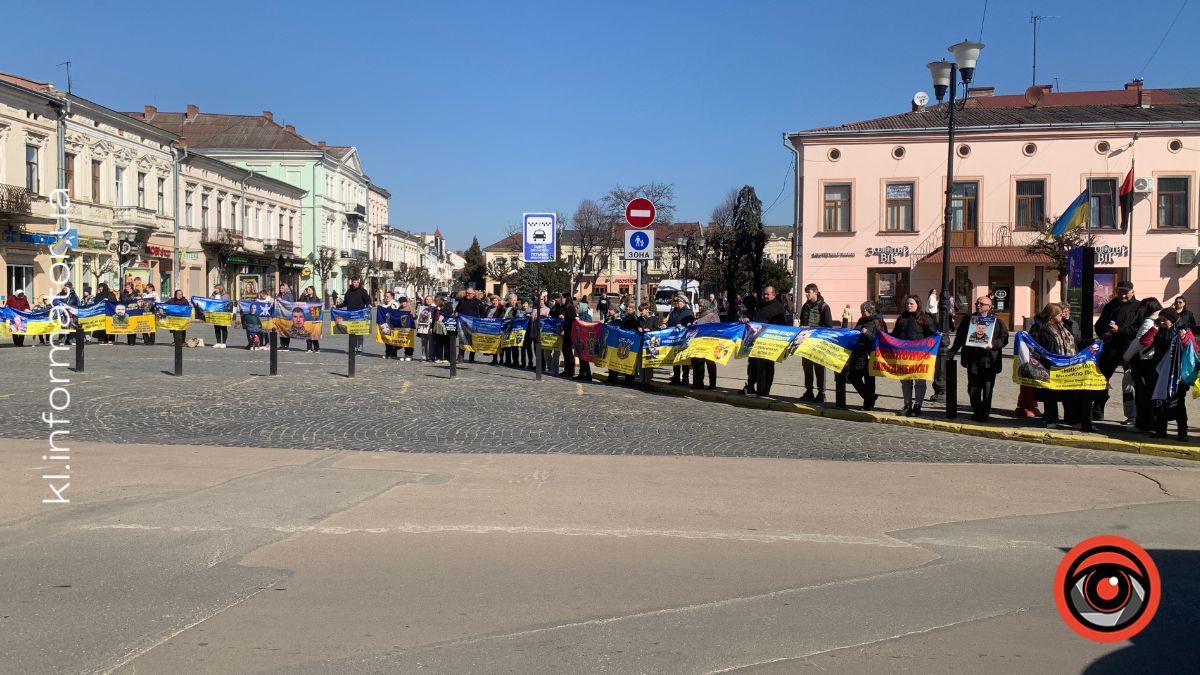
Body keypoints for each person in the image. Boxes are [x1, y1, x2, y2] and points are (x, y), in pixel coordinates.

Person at [948, 295, 1009, 422]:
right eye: (977, 303)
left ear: (989, 307)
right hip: (973, 358)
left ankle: (984, 413)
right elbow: (960, 337)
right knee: (973, 387)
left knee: (987, 388)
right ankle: (977, 409)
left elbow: (1004, 338)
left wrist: (993, 345)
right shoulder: (969, 319)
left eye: (981, 304)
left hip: (989, 360)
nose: (978, 305)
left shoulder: (996, 321)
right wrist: (953, 350)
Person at [1029, 303, 1082, 428]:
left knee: (1069, 393)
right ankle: (1051, 419)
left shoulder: (1064, 326)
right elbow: (1035, 347)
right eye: (1059, 314)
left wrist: (1094, 343)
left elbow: (1076, 341)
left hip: (1067, 366)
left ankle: (1072, 419)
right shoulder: (1039, 328)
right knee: (1050, 394)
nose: (1062, 315)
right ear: (1052, 316)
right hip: (1049, 366)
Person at [1093, 280, 1140, 420]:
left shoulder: (1138, 307)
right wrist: (1103, 334)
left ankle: (1133, 415)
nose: (1122, 295)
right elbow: (1099, 324)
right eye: (1120, 292)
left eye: (1125, 292)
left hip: (1129, 349)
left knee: (1130, 382)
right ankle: (1097, 410)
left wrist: (1120, 331)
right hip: (1110, 348)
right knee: (1101, 379)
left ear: (1132, 292)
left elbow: (1139, 330)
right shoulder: (1110, 305)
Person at [891, 295, 937, 417]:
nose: (909, 306)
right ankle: (907, 405)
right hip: (904, 357)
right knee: (906, 381)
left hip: (920, 357)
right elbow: (895, 335)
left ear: (918, 304)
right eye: (907, 304)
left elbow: (932, 335)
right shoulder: (901, 319)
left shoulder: (925, 319)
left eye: (911, 304)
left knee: (920, 382)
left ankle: (918, 406)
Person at [1123, 298, 1164, 431]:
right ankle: (1154, 422)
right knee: (1153, 393)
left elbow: (1138, 342)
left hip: (1143, 361)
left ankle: (1143, 424)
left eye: (1142, 307)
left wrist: (1126, 357)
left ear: (1148, 307)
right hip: (1156, 362)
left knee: (1142, 395)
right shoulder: (1164, 319)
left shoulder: (1149, 322)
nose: (1140, 310)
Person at [741, 286, 789, 397]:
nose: (765, 296)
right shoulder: (761, 305)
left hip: (769, 342)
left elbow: (782, 326)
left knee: (766, 366)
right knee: (752, 364)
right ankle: (751, 386)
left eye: (767, 294)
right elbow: (755, 318)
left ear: (774, 294)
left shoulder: (779, 308)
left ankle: (764, 390)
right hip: (755, 341)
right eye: (764, 294)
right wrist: (748, 319)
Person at [1150, 308, 1190, 440]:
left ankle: (1182, 432)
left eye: (1164, 320)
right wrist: (1154, 329)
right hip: (1160, 373)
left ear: (1172, 320)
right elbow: (1145, 342)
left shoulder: (1182, 331)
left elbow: (1191, 347)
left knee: (1178, 404)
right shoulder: (1160, 331)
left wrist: (1183, 338)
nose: (1161, 322)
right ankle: (1161, 430)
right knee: (1160, 402)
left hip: (1176, 375)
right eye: (1159, 320)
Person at [797, 283, 834, 401]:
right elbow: (802, 322)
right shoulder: (805, 306)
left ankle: (821, 393)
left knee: (819, 367)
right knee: (807, 367)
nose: (807, 294)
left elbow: (828, 326)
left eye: (809, 292)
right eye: (806, 292)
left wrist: (814, 330)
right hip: (806, 341)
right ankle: (809, 391)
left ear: (816, 292)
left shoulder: (824, 307)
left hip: (818, 342)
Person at [849, 301, 886, 410]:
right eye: (861, 311)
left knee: (869, 379)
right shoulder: (861, 320)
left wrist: (867, 333)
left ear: (870, 311)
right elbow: (856, 331)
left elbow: (881, 338)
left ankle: (868, 404)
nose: (861, 313)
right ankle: (870, 397)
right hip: (858, 352)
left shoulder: (878, 321)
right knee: (853, 377)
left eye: (863, 311)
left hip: (870, 354)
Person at [690, 299, 721, 390]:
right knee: (698, 363)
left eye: (702, 306)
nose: (700, 307)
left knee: (710, 363)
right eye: (699, 305)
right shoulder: (700, 315)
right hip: (700, 343)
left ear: (706, 305)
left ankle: (712, 384)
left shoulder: (713, 315)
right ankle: (698, 383)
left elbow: (717, 328)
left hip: (710, 342)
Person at [666, 293, 695, 386]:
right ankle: (676, 378)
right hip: (674, 338)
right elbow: (670, 321)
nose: (676, 303)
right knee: (675, 359)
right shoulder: (674, 311)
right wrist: (666, 326)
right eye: (676, 301)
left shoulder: (688, 312)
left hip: (684, 339)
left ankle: (685, 379)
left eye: (678, 301)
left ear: (683, 302)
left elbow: (691, 324)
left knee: (684, 360)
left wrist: (683, 326)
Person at [456, 287, 485, 363]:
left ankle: (471, 357)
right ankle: (460, 357)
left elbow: (482, 313)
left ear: (473, 294)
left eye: (469, 293)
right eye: (466, 293)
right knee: (462, 340)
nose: (467, 294)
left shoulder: (478, 302)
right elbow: (457, 309)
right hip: (462, 325)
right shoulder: (462, 300)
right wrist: (456, 313)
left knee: (473, 341)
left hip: (473, 325)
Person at [297, 286, 321, 352]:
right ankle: (309, 348)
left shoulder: (317, 299)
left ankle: (316, 348)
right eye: (307, 290)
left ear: (313, 291)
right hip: (306, 318)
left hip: (314, 319)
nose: (308, 291)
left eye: (309, 290)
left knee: (314, 334)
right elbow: (299, 302)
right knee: (307, 333)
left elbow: (319, 308)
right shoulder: (305, 298)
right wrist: (303, 295)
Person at [561, 293, 578, 378]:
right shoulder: (567, 308)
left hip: (569, 333)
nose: (561, 300)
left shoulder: (570, 308)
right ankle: (567, 369)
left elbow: (571, 321)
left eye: (563, 299)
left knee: (568, 351)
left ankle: (570, 370)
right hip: (567, 333)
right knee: (566, 351)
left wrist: (565, 329)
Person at [379, 292, 399, 359]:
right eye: (386, 296)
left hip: (393, 324)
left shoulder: (394, 304)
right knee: (386, 338)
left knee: (392, 339)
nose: (386, 297)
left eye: (388, 296)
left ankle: (393, 353)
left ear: (392, 297)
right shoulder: (384, 304)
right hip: (386, 324)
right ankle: (387, 353)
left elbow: (396, 313)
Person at [276, 283, 295, 351]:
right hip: (280, 315)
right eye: (280, 288)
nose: (281, 289)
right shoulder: (279, 295)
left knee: (286, 330)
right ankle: (282, 344)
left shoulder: (289, 295)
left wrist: (281, 301)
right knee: (281, 330)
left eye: (282, 288)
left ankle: (286, 345)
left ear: (286, 288)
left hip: (287, 315)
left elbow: (291, 304)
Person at [416, 295, 435, 362]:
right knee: (423, 343)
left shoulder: (434, 308)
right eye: (427, 299)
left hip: (430, 327)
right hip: (423, 327)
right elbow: (418, 317)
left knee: (431, 343)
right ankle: (424, 356)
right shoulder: (422, 307)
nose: (428, 301)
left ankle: (431, 356)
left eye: (430, 299)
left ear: (432, 300)